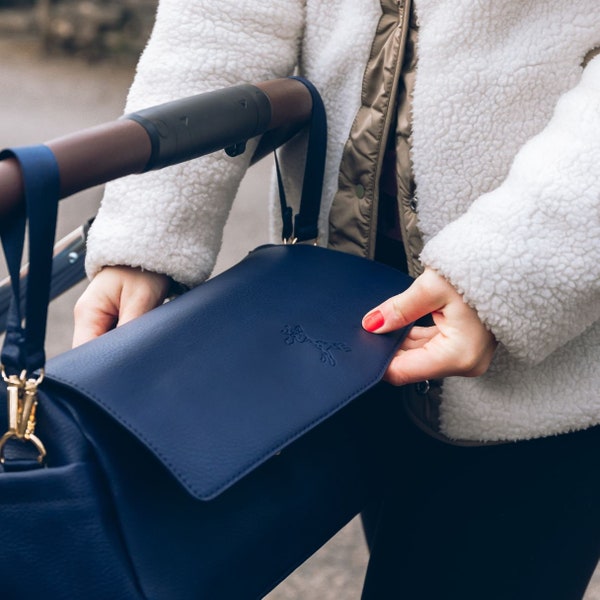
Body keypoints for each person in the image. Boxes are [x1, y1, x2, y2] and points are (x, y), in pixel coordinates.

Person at [73, 1, 600, 597]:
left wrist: (510, 272)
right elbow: (224, 18)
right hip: (342, 321)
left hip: (545, 363)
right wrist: (148, 235)